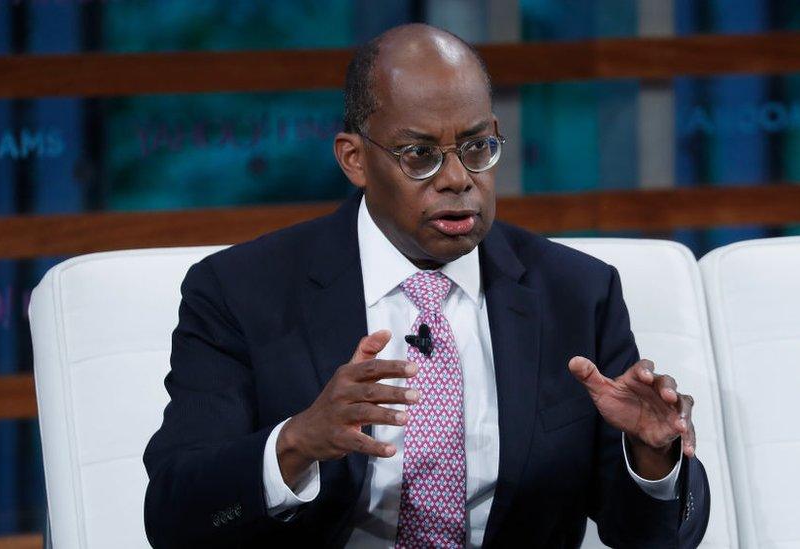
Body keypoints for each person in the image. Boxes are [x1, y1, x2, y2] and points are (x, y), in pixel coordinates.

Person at [144, 23, 710, 548]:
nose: (459, 178)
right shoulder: (240, 292)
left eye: (477, 147)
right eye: (420, 155)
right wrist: (296, 443)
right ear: (355, 159)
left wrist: (652, 456)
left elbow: (649, 536)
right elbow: (173, 513)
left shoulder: (576, 293)